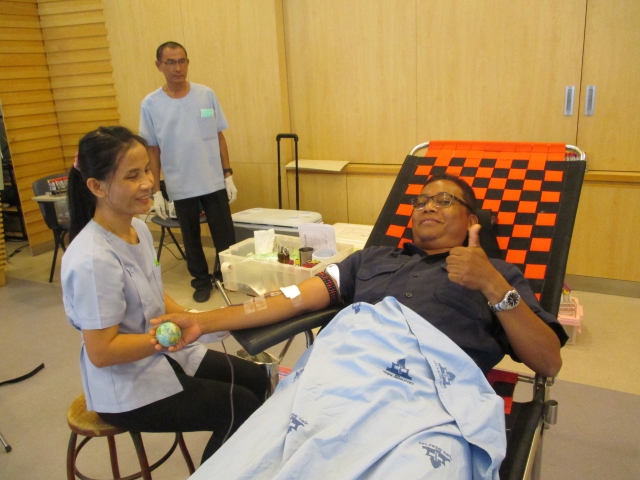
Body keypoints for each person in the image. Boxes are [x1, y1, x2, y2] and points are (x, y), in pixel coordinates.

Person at [151, 173, 567, 377]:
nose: (427, 206)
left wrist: (492, 285)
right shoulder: (369, 260)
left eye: (444, 200)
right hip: (343, 378)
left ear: (472, 220)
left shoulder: (499, 277)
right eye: (421, 201)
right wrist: (201, 321)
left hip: (426, 396)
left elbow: (548, 362)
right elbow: (292, 299)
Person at [61, 126, 269, 465]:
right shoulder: (93, 260)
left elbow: (154, 296)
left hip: (159, 355)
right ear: (97, 186)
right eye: (132, 176)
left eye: (147, 170)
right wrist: (171, 336)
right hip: (126, 387)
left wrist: (195, 320)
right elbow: (102, 351)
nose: (148, 183)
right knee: (240, 406)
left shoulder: (138, 229)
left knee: (257, 379)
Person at [139, 41, 237, 303]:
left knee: (225, 236)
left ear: (188, 62)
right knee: (191, 239)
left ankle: (226, 277)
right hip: (180, 183)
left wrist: (228, 174)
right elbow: (152, 149)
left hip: (213, 179)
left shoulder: (206, 95)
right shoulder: (151, 104)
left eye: (182, 61)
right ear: (159, 65)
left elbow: (219, 136)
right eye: (170, 62)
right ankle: (201, 281)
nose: (177, 68)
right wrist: (156, 190)